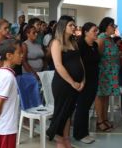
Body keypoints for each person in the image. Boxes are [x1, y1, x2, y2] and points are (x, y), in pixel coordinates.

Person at [46, 16, 85, 147]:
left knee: (68, 113)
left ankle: (66, 139)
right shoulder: (56, 43)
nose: (74, 27)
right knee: (61, 113)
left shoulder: (74, 42)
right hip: (63, 84)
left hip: (76, 84)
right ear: (63, 26)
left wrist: (83, 80)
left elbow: (80, 63)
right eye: (71, 25)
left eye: (74, 25)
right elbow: (58, 66)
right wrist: (72, 82)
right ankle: (59, 141)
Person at [0, 39, 23, 148]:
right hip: (6, 127)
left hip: (5, 125)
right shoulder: (8, 77)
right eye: (19, 53)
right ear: (9, 55)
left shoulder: (3, 73)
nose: (22, 55)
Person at [73, 22, 100, 144]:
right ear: (86, 32)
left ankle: (85, 132)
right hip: (84, 80)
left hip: (94, 79)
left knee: (87, 106)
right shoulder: (80, 45)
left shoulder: (94, 44)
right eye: (94, 31)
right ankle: (79, 134)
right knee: (82, 107)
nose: (96, 33)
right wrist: (81, 80)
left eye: (97, 30)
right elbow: (78, 64)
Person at [95, 17, 120, 132]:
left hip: (110, 73)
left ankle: (104, 119)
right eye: (112, 25)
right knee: (100, 97)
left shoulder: (110, 39)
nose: (114, 27)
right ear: (106, 26)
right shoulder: (101, 39)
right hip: (103, 72)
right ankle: (99, 121)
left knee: (106, 97)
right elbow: (97, 57)